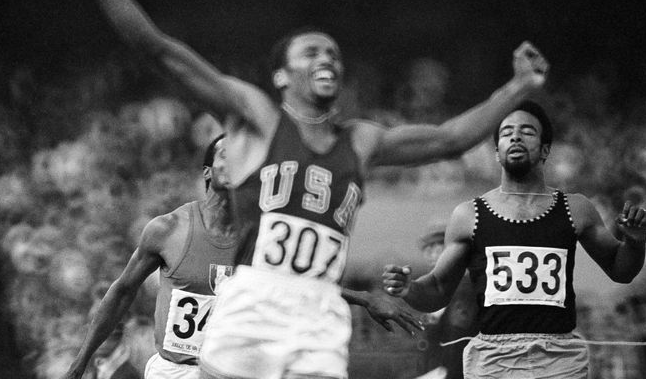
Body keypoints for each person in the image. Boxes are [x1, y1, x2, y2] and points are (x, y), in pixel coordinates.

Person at [66, 0, 549, 377]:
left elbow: (448, 140)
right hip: (255, 297)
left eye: (335, 54)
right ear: (281, 75)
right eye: (312, 51)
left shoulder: (360, 139)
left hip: (318, 308)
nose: (328, 58)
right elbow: (156, 48)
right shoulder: (256, 117)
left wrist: (519, 87)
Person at [62, 136, 418, 379]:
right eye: (225, 154)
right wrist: (81, 361)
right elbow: (121, 292)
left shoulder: (263, 232)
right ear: (207, 172)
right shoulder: (167, 229)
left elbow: (302, 283)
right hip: (176, 370)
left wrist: (366, 298)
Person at [383, 101, 646, 379]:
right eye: (507, 132)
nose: (515, 136)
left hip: (559, 360)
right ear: (497, 152)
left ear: (546, 149)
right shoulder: (469, 216)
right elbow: (438, 288)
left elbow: (621, 270)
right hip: (494, 361)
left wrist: (635, 242)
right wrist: (408, 289)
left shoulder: (576, 209)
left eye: (527, 131)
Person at [416, 220, 478, 379]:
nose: (432, 254)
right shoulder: (439, 288)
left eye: (438, 247)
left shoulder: (463, 289)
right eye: (427, 248)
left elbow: (459, 345)